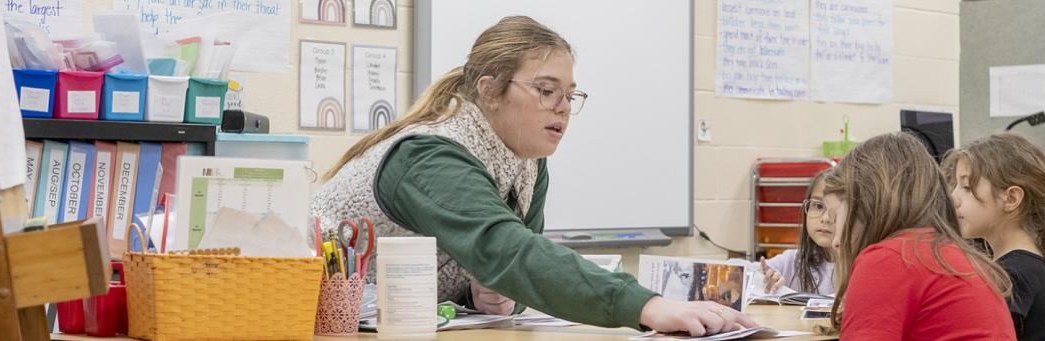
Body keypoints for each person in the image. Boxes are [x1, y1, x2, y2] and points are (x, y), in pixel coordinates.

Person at [311, 16, 756, 336]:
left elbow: (517, 269)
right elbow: (510, 252)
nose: (563, 107)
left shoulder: (528, 158)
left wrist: (491, 296)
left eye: (570, 94)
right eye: (546, 90)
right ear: (489, 91)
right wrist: (648, 306)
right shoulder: (430, 154)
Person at [820, 132, 1016, 340]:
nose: (835, 241)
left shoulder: (889, 259)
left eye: (835, 216)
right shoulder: (950, 253)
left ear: (864, 204)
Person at [944, 133, 1045, 341]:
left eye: (967, 188)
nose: (953, 197)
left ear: (1011, 198)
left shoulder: (1014, 275)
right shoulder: (1030, 265)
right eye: (955, 186)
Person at [759, 169, 837, 295]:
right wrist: (760, 277)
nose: (825, 218)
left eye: (836, 209)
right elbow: (736, 268)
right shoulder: (794, 260)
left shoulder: (864, 267)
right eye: (818, 206)